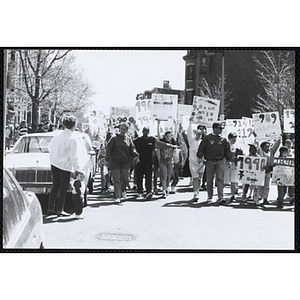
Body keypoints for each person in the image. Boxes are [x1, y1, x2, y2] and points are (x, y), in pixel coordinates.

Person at [47, 115, 81, 217]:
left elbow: (50, 148)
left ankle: (50, 207)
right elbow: (73, 156)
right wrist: (77, 168)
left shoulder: (57, 136)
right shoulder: (72, 138)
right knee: (63, 188)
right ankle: (59, 209)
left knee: (55, 186)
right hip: (65, 165)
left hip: (54, 163)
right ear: (74, 125)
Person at [134, 126, 176, 199]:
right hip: (139, 161)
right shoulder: (137, 140)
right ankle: (140, 191)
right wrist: (134, 157)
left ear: (148, 132)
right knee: (139, 177)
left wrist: (170, 146)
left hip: (149, 161)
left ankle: (149, 191)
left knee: (149, 177)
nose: (145, 132)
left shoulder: (152, 140)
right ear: (142, 131)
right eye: (144, 131)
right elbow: (132, 148)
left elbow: (161, 144)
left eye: (147, 131)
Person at [197, 122, 232, 203]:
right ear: (214, 128)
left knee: (220, 179)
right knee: (209, 180)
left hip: (220, 161)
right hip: (210, 161)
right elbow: (201, 148)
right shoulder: (207, 138)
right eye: (219, 128)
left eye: (222, 129)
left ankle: (220, 197)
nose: (221, 130)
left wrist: (229, 160)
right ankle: (209, 196)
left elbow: (227, 150)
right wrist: (200, 156)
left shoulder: (223, 139)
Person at [105, 123, 140, 203]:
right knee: (117, 179)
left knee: (125, 179)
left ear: (127, 130)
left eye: (125, 129)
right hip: (115, 162)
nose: (123, 130)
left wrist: (136, 154)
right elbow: (108, 148)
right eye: (122, 128)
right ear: (119, 129)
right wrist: (107, 159)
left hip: (125, 162)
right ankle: (117, 196)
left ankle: (123, 190)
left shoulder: (128, 138)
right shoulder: (114, 138)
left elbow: (132, 148)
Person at [157, 121, 178, 198]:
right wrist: (158, 124)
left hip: (170, 161)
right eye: (167, 136)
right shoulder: (162, 142)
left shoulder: (173, 142)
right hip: (163, 161)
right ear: (165, 136)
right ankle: (163, 190)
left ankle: (167, 188)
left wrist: (176, 124)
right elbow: (159, 134)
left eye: (170, 136)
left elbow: (175, 134)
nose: (168, 137)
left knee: (169, 176)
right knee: (163, 175)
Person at [257, 138, 281, 205]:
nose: (268, 148)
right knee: (260, 186)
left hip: (268, 172)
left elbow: (276, 145)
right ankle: (259, 196)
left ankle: (265, 198)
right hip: (260, 172)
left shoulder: (271, 152)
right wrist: (256, 137)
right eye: (266, 147)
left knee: (267, 186)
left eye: (268, 146)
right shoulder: (259, 152)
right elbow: (256, 144)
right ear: (262, 148)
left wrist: (279, 138)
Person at [187, 119, 205, 201]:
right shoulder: (191, 140)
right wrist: (190, 122)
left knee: (199, 178)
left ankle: (197, 191)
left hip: (201, 163)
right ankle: (195, 193)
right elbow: (189, 132)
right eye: (197, 134)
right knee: (195, 177)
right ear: (195, 133)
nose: (199, 135)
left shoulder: (203, 142)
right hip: (193, 162)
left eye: (200, 134)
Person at [224, 132, 242, 203]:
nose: (234, 141)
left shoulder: (238, 146)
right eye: (232, 139)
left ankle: (232, 195)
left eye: (235, 139)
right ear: (229, 139)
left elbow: (241, 155)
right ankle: (221, 195)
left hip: (235, 165)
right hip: (226, 165)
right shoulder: (225, 145)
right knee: (225, 182)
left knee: (234, 181)